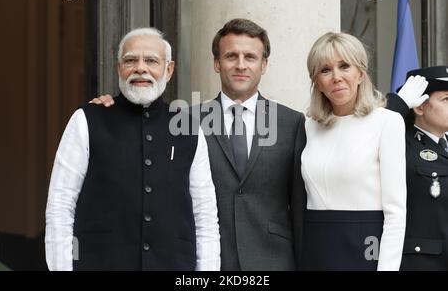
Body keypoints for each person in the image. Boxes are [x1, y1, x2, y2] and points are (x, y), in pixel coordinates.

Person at [92, 19, 307, 271]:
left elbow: (300, 209)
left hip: (274, 262)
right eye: (230, 56)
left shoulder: (292, 123)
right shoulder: (185, 121)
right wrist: (110, 109)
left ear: (264, 64)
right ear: (217, 63)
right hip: (205, 261)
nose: (240, 64)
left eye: (250, 57)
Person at [45, 28, 220, 271]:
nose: (140, 68)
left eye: (151, 60)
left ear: (168, 70)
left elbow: (205, 216)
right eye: (130, 60)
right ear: (119, 68)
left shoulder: (189, 128)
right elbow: (60, 205)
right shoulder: (86, 120)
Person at [300, 32, 407, 271]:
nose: (336, 77)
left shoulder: (387, 122)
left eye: (344, 66)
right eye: (325, 70)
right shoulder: (308, 126)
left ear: (360, 72)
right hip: (315, 251)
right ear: (316, 80)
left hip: (365, 249)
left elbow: (395, 213)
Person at [387, 66, 448, 270]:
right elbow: (369, 139)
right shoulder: (399, 142)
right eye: (446, 99)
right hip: (422, 263)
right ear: (420, 107)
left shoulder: (445, 144)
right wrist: (398, 105)